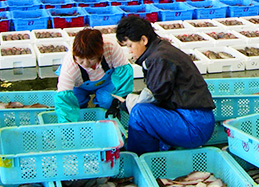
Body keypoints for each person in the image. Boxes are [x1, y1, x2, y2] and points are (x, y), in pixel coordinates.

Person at [115, 15, 215, 154]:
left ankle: (139, 159)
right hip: (188, 117)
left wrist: (128, 103)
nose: (130, 51)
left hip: (194, 125)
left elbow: (154, 97)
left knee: (139, 113)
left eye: (130, 45)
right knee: (142, 110)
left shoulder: (159, 59)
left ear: (143, 40)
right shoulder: (160, 51)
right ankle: (152, 153)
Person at [54, 28, 133, 123]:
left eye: (91, 58)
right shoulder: (69, 66)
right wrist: (67, 127)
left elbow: (123, 76)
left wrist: (117, 102)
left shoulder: (111, 46)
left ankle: (102, 116)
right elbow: (64, 101)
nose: (86, 64)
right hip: (79, 86)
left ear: (100, 53)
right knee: (75, 105)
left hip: (107, 82)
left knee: (107, 101)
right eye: (81, 59)